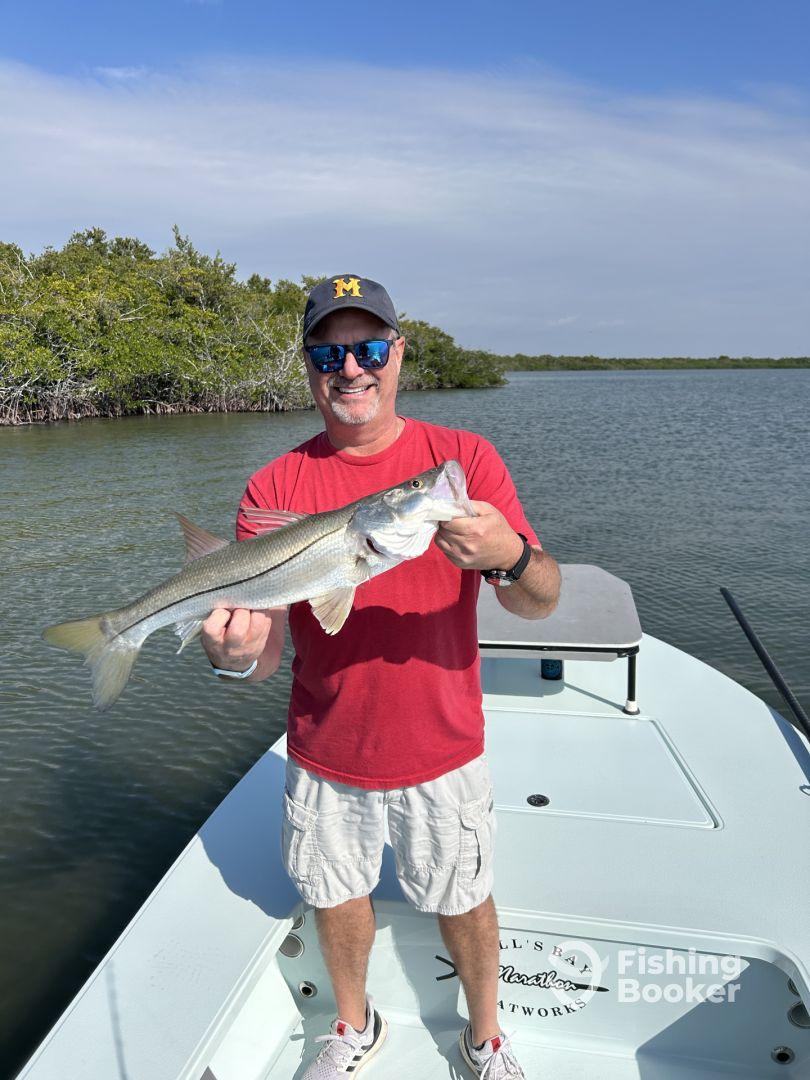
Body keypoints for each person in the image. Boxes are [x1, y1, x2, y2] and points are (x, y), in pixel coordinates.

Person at [201, 275, 561, 1078]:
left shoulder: (462, 460)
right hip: (326, 749)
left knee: (465, 897)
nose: (351, 370)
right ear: (308, 365)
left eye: (367, 348)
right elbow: (264, 655)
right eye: (330, 354)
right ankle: (353, 1026)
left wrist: (509, 556)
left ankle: (485, 1037)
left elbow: (541, 601)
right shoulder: (273, 488)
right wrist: (233, 658)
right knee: (334, 896)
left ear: (398, 353)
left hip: (445, 745)